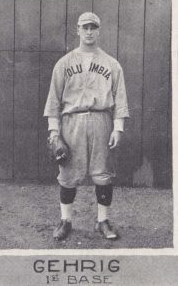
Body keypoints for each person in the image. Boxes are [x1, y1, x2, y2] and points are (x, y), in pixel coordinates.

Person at [44, 12, 129, 241]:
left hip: (102, 120)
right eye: (85, 27)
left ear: (99, 30)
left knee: (103, 174)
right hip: (72, 121)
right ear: (78, 30)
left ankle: (102, 221)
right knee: (68, 173)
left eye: (93, 27)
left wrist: (117, 128)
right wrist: (54, 134)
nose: (89, 31)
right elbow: (54, 101)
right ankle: (65, 221)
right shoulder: (64, 63)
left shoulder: (111, 64)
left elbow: (119, 98)